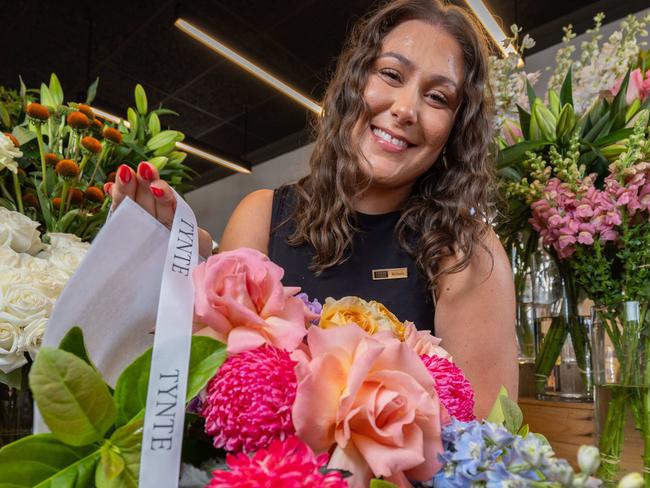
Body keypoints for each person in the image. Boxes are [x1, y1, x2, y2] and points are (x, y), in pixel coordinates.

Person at [108, 0, 518, 419]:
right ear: (353, 83)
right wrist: (184, 261)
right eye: (391, 74)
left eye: (438, 97)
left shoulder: (467, 253)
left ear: (456, 128)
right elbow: (217, 392)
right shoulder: (262, 216)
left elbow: (485, 444)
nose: (405, 109)